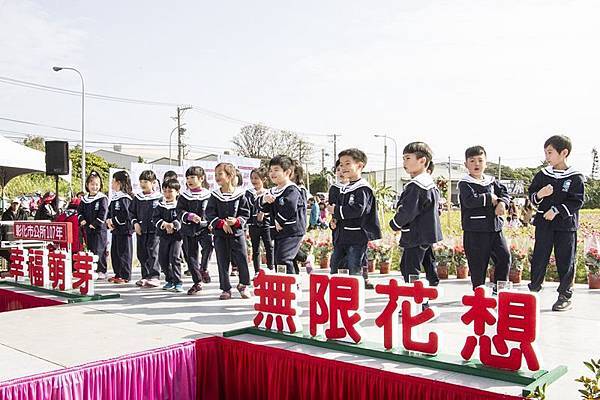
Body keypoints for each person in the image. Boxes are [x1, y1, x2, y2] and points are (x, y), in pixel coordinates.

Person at [528, 135, 585, 312]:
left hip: (565, 227)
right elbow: (532, 196)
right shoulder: (543, 175)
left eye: (550, 152)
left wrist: (557, 210)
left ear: (564, 152)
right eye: (545, 152)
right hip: (544, 225)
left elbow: (577, 201)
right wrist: (540, 194)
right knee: (539, 257)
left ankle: (564, 295)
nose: (547, 156)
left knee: (565, 260)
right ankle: (534, 289)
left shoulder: (575, 177)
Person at [458, 145, 511, 290]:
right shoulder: (465, 183)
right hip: (475, 231)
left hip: (495, 229)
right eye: (472, 161)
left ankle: (500, 289)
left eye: (480, 160)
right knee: (478, 264)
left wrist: (502, 203)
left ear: (486, 163)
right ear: (466, 164)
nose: (476, 164)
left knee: (504, 257)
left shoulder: (492, 181)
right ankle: (479, 294)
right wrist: (489, 197)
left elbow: (505, 194)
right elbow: (469, 201)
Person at [389, 142, 443, 285]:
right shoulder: (430, 185)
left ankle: (416, 301)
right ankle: (432, 289)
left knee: (409, 268)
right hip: (427, 233)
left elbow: (408, 211)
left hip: (415, 234)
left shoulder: (417, 186)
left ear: (422, 160)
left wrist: (395, 223)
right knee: (428, 263)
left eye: (407, 158)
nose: (404, 162)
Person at [327, 148, 381, 277]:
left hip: (356, 236)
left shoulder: (362, 188)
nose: (343, 167)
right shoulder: (345, 188)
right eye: (341, 164)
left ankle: (356, 293)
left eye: (347, 163)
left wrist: (336, 210)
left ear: (360, 165)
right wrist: (334, 219)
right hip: (342, 235)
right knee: (336, 263)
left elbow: (359, 209)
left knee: (354, 266)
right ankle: (339, 291)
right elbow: (339, 210)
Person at [206, 163, 252, 299]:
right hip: (220, 235)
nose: (217, 177)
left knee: (242, 259)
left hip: (237, 234)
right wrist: (221, 223)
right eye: (215, 175)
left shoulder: (240, 195)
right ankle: (225, 288)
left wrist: (236, 221)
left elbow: (246, 213)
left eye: (220, 174)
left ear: (230, 176)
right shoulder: (215, 195)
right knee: (222, 261)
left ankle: (244, 284)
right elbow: (209, 213)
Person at [260, 155, 307, 274]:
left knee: (283, 258)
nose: (272, 173)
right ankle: (294, 277)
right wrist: (265, 200)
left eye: (276, 170)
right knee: (279, 259)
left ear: (287, 172)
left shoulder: (292, 189)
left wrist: (279, 220)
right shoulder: (273, 190)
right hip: (279, 231)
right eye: (271, 170)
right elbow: (266, 209)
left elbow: (290, 206)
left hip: (292, 230)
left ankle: (289, 285)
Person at [177, 166, 213, 295]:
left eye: (192, 177)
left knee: (208, 247)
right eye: (187, 178)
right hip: (189, 229)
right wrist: (189, 216)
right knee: (191, 256)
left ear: (201, 178)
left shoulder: (209, 195)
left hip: (205, 228)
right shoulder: (184, 196)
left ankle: (203, 268)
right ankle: (197, 282)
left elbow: (212, 211)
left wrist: (211, 223)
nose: (189, 180)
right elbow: (179, 211)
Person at [130, 170, 163, 288]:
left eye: (146, 181)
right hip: (141, 230)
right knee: (142, 253)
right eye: (141, 181)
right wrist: (135, 224)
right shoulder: (137, 198)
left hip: (155, 231)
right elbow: (132, 213)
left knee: (153, 252)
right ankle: (145, 276)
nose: (143, 184)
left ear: (153, 183)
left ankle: (154, 276)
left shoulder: (159, 198)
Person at [153, 178, 184, 292]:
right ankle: (169, 279)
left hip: (176, 237)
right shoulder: (160, 206)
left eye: (170, 191)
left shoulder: (179, 205)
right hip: (163, 236)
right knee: (162, 259)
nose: (167, 194)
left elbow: (181, 218)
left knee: (175, 258)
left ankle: (178, 282)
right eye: (165, 191)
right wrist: (164, 224)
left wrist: (173, 225)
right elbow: (155, 218)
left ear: (177, 192)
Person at [77, 171, 109, 279]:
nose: (94, 187)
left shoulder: (102, 198)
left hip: (99, 230)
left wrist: (95, 224)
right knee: (90, 249)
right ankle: (92, 268)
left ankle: (101, 270)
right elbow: (79, 212)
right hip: (88, 229)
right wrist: (82, 220)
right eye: (92, 184)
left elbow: (103, 213)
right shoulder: (84, 199)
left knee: (99, 249)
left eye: (97, 184)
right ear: (87, 185)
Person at [106, 171, 134, 284]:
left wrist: (113, 221)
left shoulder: (125, 198)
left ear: (118, 182)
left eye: (113, 181)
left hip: (124, 230)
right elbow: (109, 211)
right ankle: (118, 273)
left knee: (124, 253)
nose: (112, 183)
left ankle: (125, 275)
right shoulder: (115, 197)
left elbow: (125, 215)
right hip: (116, 230)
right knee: (115, 253)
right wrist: (108, 220)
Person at [246, 166, 274, 274]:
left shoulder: (268, 192)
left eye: (256, 178)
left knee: (269, 246)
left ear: (264, 179)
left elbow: (271, 208)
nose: (254, 181)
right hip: (253, 224)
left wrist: (264, 213)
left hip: (266, 222)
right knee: (255, 248)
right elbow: (248, 206)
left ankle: (270, 269)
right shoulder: (248, 193)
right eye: (252, 178)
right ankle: (257, 272)